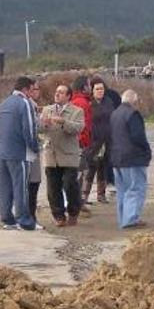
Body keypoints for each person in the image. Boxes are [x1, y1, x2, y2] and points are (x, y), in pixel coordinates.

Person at [0, 76, 39, 231]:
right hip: (19, 152)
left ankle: (7, 219)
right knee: (21, 187)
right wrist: (34, 147)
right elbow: (28, 128)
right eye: (31, 89)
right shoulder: (24, 103)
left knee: (5, 187)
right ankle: (24, 220)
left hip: (3, 151)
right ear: (26, 89)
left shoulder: (4, 103)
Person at [40, 85, 85, 227]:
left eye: (61, 92)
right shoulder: (47, 110)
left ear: (68, 96)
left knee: (69, 185)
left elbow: (78, 128)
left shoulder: (77, 111)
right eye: (56, 92)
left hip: (68, 155)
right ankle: (59, 215)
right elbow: (39, 129)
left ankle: (73, 212)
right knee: (53, 188)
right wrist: (44, 124)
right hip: (51, 155)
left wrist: (63, 121)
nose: (57, 94)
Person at [109, 89, 151, 229]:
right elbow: (138, 136)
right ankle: (131, 219)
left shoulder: (114, 114)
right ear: (134, 101)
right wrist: (147, 151)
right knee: (135, 188)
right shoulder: (133, 114)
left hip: (117, 157)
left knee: (122, 190)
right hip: (133, 157)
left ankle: (123, 219)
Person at [83, 78, 115, 204]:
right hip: (93, 140)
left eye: (102, 89)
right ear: (92, 90)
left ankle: (101, 194)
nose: (100, 91)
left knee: (103, 167)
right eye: (97, 89)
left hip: (107, 140)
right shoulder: (89, 103)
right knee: (91, 168)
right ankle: (84, 195)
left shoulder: (108, 102)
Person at [70, 75, 93, 213]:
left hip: (77, 143)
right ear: (84, 87)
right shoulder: (82, 103)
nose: (90, 87)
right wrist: (84, 142)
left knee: (78, 174)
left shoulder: (75, 100)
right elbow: (84, 126)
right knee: (78, 174)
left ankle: (77, 202)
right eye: (89, 85)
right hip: (80, 144)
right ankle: (75, 204)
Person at [27, 81, 45, 228]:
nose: (38, 92)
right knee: (32, 184)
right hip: (30, 151)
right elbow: (35, 127)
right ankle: (30, 217)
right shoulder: (29, 106)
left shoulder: (31, 105)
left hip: (27, 151)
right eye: (36, 89)